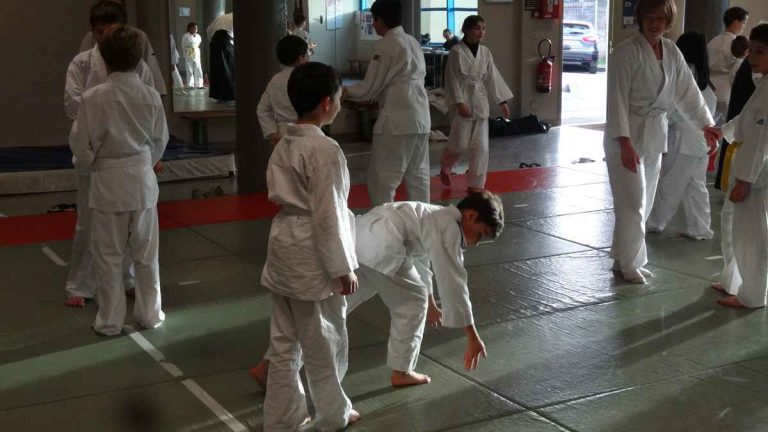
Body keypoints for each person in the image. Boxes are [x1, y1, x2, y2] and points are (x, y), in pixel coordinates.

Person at [251, 191, 504, 389]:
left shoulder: (435, 216)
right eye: (480, 234)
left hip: (362, 240)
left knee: (331, 310)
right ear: (471, 216)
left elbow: (422, 260)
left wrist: (431, 300)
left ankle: (271, 366)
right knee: (412, 302)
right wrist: (472, 335)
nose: (476, 243)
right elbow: (453, 280)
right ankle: (402, 371)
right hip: (383, 247)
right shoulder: (449, 226)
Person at [260, 62, 361, 431]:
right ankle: (333, 415)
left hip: (284, 244)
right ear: (326, 103)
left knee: (284, 343)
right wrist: (343, 267)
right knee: (323, 341)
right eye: (338, 98)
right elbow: (327, 214)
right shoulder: (324, 150)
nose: (339, 104)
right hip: (311, 252)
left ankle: (281, 419)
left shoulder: (283, 144)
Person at [604, 0, 719, 284]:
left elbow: (688, 93)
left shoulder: (671, 51)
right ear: (640, 18)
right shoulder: (625, 53)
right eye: (649, 17)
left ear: (668, 21)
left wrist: (706, 125)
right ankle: (631, 263)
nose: (654, 24)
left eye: (660, 18)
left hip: (655, 132)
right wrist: (624, 141)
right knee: (632, 202)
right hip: (626, 134)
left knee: (644, 200)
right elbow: (616, 101)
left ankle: (622, 257)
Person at [69, 25, 168, 335]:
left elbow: (81, 145)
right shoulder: (150, 96)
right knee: (146, 254)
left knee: (108, 256)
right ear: (139, 59)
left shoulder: (92, 98)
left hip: (107, 181)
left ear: (104, 58)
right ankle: (151, 314)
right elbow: (160, 140)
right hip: (142, 179)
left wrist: (90, 167)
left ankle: (110, 321)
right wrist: (145, 163)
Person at [344, 0, 431, 206]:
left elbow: (369, 87)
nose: (373, 25)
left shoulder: (385, 45)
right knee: (418, 175)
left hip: (397, 118)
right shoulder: (413, 41)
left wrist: (344, 92)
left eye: (373, 20)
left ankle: (384, 220)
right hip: (420, 115)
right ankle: (423, 220)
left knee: (383, 179)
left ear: (380, 20)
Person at [713, 23, 768, 309]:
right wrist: (721, 132)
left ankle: (753, 295)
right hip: (749, 169)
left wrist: (745, 180)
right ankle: (732, 280)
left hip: (755, 174)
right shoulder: (763, 84)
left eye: (760, 52)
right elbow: (746, 119)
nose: (752, 57)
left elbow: (760, 139)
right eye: (751, 51)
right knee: (732, 225)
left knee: (750, 236)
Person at [646, 31, 719, 240]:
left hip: (684, 140)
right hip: (701, 141)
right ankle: (700, 227)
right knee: (695, 186)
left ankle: (654, 222)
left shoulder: (683, 71)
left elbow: (673, 108)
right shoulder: (704, 79)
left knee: (670, 184)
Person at [440, 15, 513, 194]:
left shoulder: (485, 52)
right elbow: (452, 79)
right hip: (462, 98)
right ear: (466, 30)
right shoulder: (456, 51)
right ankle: (447, 165)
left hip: (480, 101)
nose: (481, 32)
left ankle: (476, 184)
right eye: (477, 28)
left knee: (481, 147)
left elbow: (492, 77)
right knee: (460, 143)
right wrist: (459, 103)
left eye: (483, 28)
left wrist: (502, 101)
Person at [78, 0, 167, 96]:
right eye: (100, 32)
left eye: (111, 30)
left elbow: (156, 89)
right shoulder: (87, 47)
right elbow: (76, 94)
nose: (106, 36)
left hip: (134, 100)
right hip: (96, 101)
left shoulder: (138, 38)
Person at [257, 35, 308, 146]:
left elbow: (262, 109)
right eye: (306, 56)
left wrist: (272, 133)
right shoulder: (308, 78)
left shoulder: (275, 80)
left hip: (283, 134)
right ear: (300, 58)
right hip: (308, 132)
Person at [708, 6, 749, 119]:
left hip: (709, 89)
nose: (744, 27)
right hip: (727, 90)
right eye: (744, 23)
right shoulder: (738, 43)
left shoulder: (713, 41)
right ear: (736, 22)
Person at [209, 28, 235, 103]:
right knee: (226, 75)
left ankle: (220, 96)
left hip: (218, 62)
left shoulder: (215, 37)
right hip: (226, 57)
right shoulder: (225, 38)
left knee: (220, 76)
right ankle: (225, 96)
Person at [182, 22, 204, 89]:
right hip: (189, 52)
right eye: (194, 28)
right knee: (190, 69)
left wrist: (195, 48)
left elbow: (198, 43)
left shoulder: (198, 36)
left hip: (196, 52)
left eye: (196, 28)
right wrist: (185, 53)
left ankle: (199, 84)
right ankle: (190, 85)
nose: (195, 29)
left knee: (198, 68)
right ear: (189, 28)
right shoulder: (186, 36)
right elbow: (183, 45)